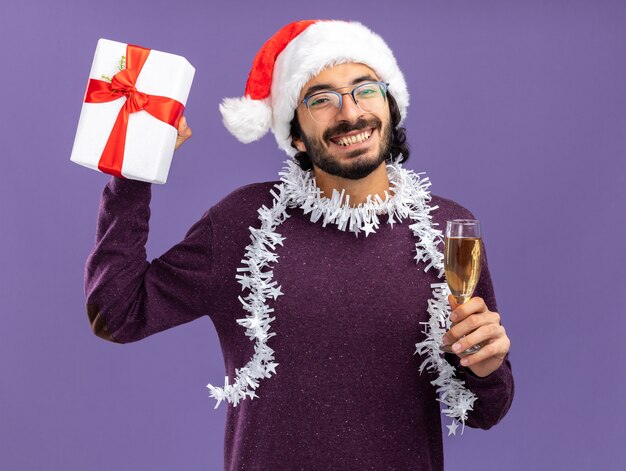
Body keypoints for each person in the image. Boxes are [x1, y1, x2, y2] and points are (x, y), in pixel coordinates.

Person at [84, 20, 513, 470]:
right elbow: (118, 314)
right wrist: (133, 173)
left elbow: (487, 409)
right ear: (295, 133)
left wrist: (486, 368)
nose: (349, 114)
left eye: (364, 90)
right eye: (321, 100)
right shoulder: (242, 222)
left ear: (390, 104)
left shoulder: (449, 228)